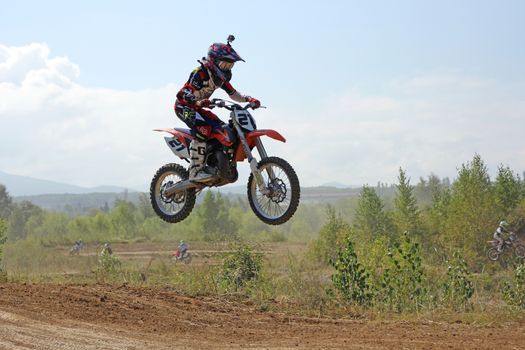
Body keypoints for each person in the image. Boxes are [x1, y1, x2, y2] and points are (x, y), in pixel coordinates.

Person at [174, 35, 260, 182]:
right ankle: (195, 171)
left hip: (198, 108)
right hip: (183, 106)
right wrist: (198, 100)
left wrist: (248, 99)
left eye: (230, 66)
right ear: (214, 61)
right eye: (225, 65)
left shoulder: (219, 79)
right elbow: (183, 93)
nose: (227, 68)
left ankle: (213, 161)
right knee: (203, 129)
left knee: (221, 128)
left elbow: (234, 94)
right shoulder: (199, 73)